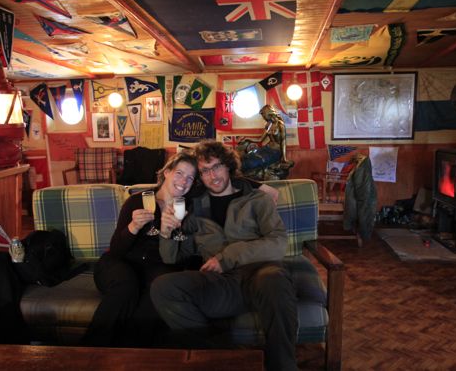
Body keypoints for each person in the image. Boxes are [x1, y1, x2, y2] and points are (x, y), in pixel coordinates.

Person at [151, 140, 298, 371]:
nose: (213, 176)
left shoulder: (257, 200)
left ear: (228, 166)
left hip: (258, 274)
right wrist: (167, 233)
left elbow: (278, 243)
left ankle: (282, 366)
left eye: (217, 166)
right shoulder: (194, 210)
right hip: (220, 283)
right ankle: (218, 359)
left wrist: (226, 258)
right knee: (163, 287)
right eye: (205, 171)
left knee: (274, 278)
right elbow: (173, 258)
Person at [81, 151, 198, 347]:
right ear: (167, 172)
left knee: (159, 291)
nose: (184, 181)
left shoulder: (188, 209)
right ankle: (90, 351)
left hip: (156, 268)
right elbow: (116, 251)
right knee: (126, 286)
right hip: (119, 263)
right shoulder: (138, 201)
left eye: (190, 177)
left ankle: (132, 354)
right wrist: (133, 227)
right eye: (179, 173)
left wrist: (171, 234)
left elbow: (185, 254)